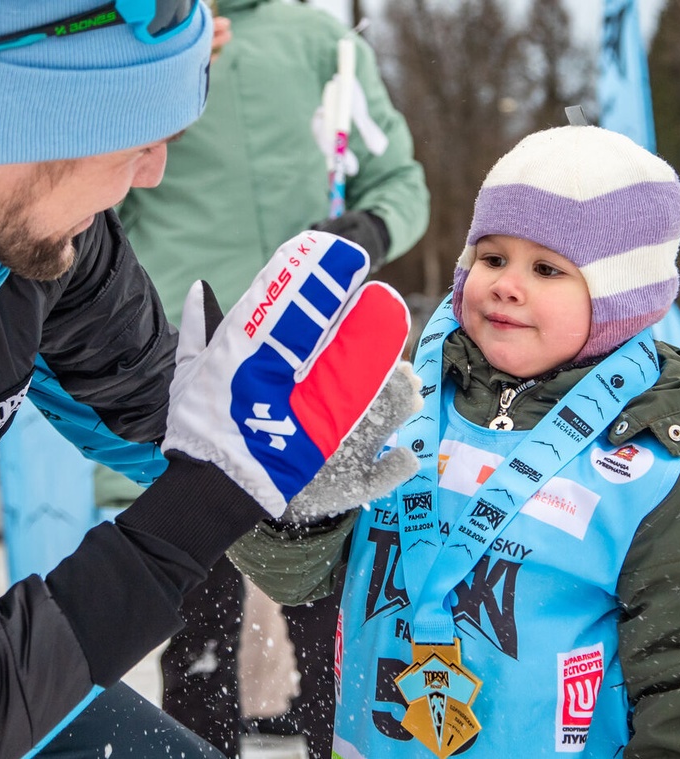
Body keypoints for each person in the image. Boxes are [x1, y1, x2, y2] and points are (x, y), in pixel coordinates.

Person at [0, 1, 417, 756]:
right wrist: (175, 531)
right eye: (130, 134)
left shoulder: (28, 229)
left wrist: (296, 490)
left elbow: (156, 407)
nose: (155, 169)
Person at [229, 125, 680, 757]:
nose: (505, 284)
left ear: (619, 302)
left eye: (547, 268)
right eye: (492, 258)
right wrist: (302, 506)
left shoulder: (668, 483)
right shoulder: (401, 413)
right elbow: (290, 579)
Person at [96, 1, 429, 757]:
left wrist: (371, 229)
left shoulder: (319, 42)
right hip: (175, 373)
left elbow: (400, 179)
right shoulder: (148, 30)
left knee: (328, 625)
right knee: (196, 635)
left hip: (313, 377)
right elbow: (93, 180)